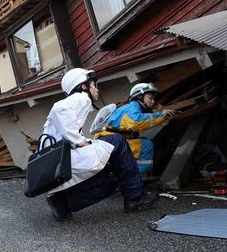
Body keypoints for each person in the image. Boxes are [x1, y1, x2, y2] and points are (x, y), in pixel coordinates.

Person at [42, 68, 158, 222]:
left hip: (58, 161)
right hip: (67, 157)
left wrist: (81, 141)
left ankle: (62, 203)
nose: (97, 89)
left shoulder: (79, 102)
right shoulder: (81, 98)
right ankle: (135, 199)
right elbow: (59, 109)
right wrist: (80, 142)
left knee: (111, 180)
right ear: (83, 86)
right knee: (118, 141)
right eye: (94, 85)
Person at [94, 83, 176, 175]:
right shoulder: (131, 108)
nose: (153, 102)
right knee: (146, 146)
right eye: (150, 98)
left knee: (142, 143)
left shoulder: (131, 108)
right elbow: (137, 121)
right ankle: (136, 177)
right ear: (140, 96)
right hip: (110, 141)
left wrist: (160, 116)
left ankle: (131, 176)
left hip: (109, 140)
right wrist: (161, 116)